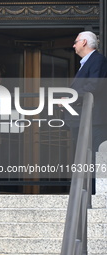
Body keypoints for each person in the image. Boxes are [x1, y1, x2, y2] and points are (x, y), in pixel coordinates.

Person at [68, 31, 107, 193]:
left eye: (76, 41)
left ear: (84, 42)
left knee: (93, 157)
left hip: (94, 120)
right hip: (85, 120)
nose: (73, 45)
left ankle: (93, 193)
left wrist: (72, 98)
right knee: (86, 157)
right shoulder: (87, 62)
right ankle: (88, 192)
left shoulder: (97, 60)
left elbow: (94, 86)